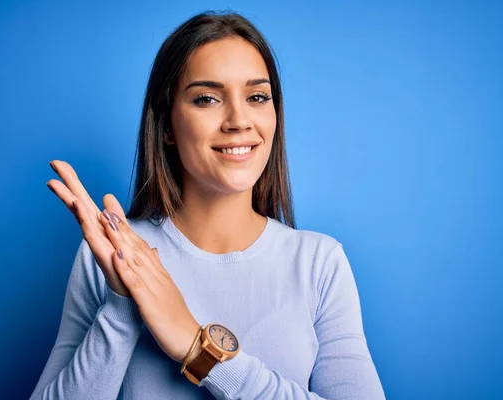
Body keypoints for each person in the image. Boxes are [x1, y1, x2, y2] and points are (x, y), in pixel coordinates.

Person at [32, 11, 385, 400]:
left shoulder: (320, 263)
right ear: (166, 125)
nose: (238, 120)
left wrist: (196, 347)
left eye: (256, 97)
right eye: (207, 99)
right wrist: (121, 308)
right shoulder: (110, 254)